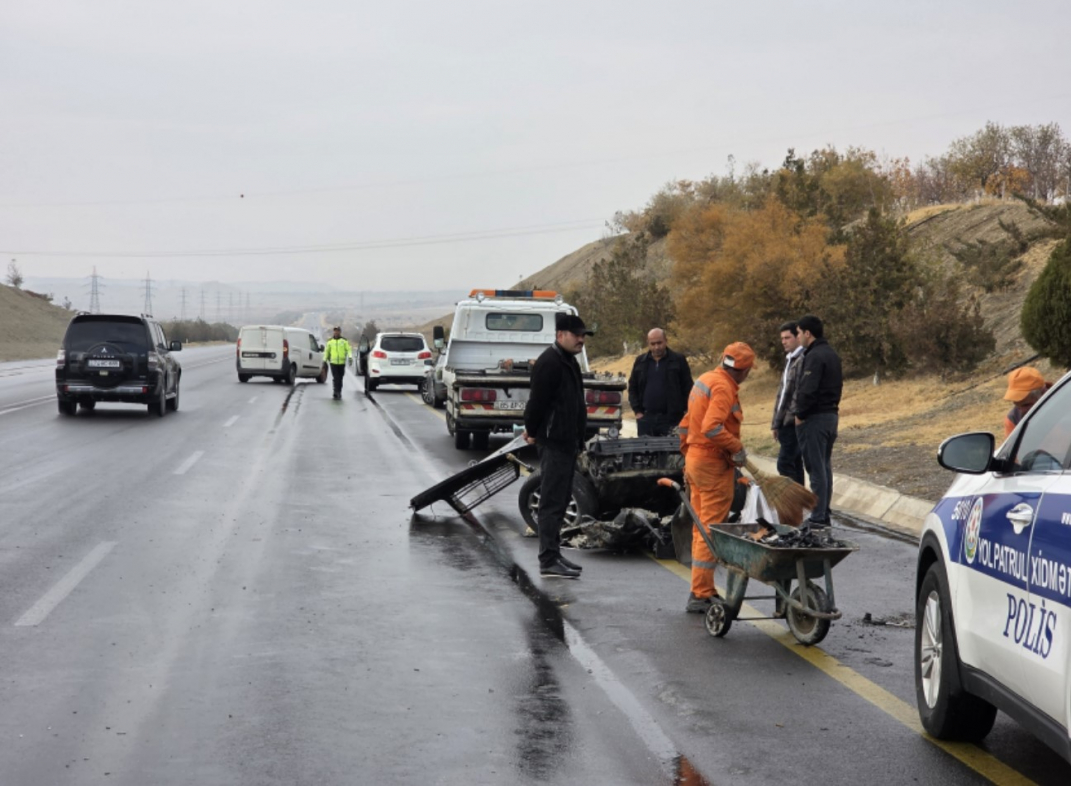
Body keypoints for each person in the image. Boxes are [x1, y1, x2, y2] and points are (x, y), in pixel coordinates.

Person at [678, 342, 754, 613]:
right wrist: (736, 448)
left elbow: (687, 423)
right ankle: (701, 594)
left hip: (696, 461)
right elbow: (712, 428)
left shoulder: (705, 379)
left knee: (701, 527)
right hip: (711, 466)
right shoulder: (722, 388)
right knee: (710, 529)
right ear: (743, 370)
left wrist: (688, 453)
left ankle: (700, 590)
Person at [523, 313, 594, 579]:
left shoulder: (569, 362)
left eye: (583, 335)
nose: (581, 339)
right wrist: (531, 430)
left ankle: (555, 554)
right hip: (553, 442)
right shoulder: (549, 363)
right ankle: (547, 560)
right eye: (577, 335)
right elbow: (536, 404)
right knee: (551, 502)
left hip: (567, 443)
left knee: (562, 500)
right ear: (560, 334)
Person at [792, 315, 843, 529]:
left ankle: (817, 517)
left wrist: (800, 414)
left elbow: (808, 389)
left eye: (798, 333)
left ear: (807, 333)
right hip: (831, 415)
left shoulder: (814, 356)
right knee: (824, 466)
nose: (797, 338)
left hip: (815, 418)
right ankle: (824, 512)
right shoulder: (831, 354)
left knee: (816, 468)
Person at [628, 328, 694, 437]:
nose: (656, 347)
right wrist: (638, 412)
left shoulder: (678, 360)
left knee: (673, 453)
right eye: (653, 344)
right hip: (646, 419)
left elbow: (688, 387)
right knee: (645, 453)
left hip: (672, 420)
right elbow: (633, 388)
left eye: (659, 343)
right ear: (648, 344)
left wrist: (686, 412)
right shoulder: (641, 361)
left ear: (665, 341)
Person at [771, 321, 805, 485]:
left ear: (798, 337)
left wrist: (790, 418)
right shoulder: (789, 360)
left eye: (787, 337)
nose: (784, 341)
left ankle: (795, 501)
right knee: (795, 463)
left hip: (792, 421)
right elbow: (782, 394)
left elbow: (796, 394)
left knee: (784, 464)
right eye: (782, 338)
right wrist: (776, 423)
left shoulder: (802, 359)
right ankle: (801, 503)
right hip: (784, 422)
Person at [1003, 366, 1052, 437]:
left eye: (1026, 405)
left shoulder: (1064, 402)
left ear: (1044, 393)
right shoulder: (1013, 419)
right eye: (1017, 405)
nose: (1021, 410)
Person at [322, 327, 352, 400]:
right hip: (333, 363)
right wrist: (324, 360)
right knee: (336, 378)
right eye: (335, 331)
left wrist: (350, 357)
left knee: (340, 378)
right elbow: (327, 352)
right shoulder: (330, 341)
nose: (336, 333)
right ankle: (335, 392)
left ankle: (339, 391)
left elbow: (348, 349)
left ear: (340, 332)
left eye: (337, 331)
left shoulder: (344, 341)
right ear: (333, 332)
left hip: (341, 363)